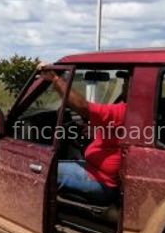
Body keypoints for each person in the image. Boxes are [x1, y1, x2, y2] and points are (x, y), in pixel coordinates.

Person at [40, 67, 127, 202]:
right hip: (95, 171)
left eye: (128, 80)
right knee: (59, 164)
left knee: (40, 169)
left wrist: (56, 79)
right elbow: (116, 131)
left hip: (102, 181)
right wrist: (96, 129)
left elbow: (83, 107)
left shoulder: (124, 111)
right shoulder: (138, 113)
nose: (124, 84)